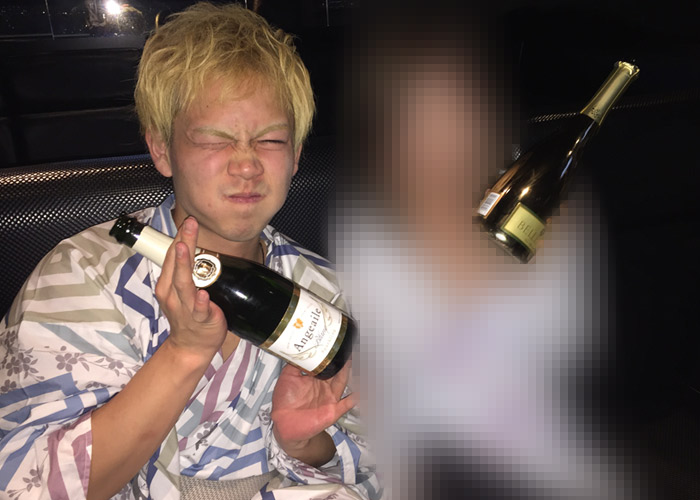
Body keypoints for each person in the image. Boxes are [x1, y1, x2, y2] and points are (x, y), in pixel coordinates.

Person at [0, 3, 378, 499]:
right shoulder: (80, 274)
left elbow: (383, 455)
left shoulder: (327, 293)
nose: (247, 165)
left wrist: (304, 444)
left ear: (296, 155)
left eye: (270, 139)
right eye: (214, 140)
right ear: (162, 149)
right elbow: (22, 482)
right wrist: (183, 354)